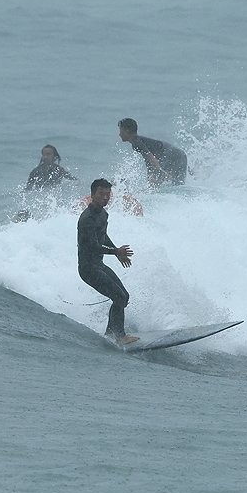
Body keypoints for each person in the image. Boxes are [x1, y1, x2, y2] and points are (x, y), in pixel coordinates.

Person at [77, 178, 137, 344]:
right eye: (101, 194)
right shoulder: (87, 219)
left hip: (98, 265)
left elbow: (103, 237)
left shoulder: (103, 214)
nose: (105, 197)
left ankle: (111, 334)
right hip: (88, 269)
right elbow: (93, 246)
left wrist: (116, 251)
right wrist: (116, 251)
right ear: (92, 194)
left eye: (108, 194)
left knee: (124, 296)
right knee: (119, 297)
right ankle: (119, 336)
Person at [118, 118, 188, 186]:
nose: (119, 134)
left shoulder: (136, 141)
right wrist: (151, 175)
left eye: (121, 131)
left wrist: (159, 171)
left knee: (176, 185)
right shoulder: (137, 140)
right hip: (176, 155)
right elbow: (148, 159)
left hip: (175, 156)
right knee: (175, 185)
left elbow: (150, 157)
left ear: (126, 131)